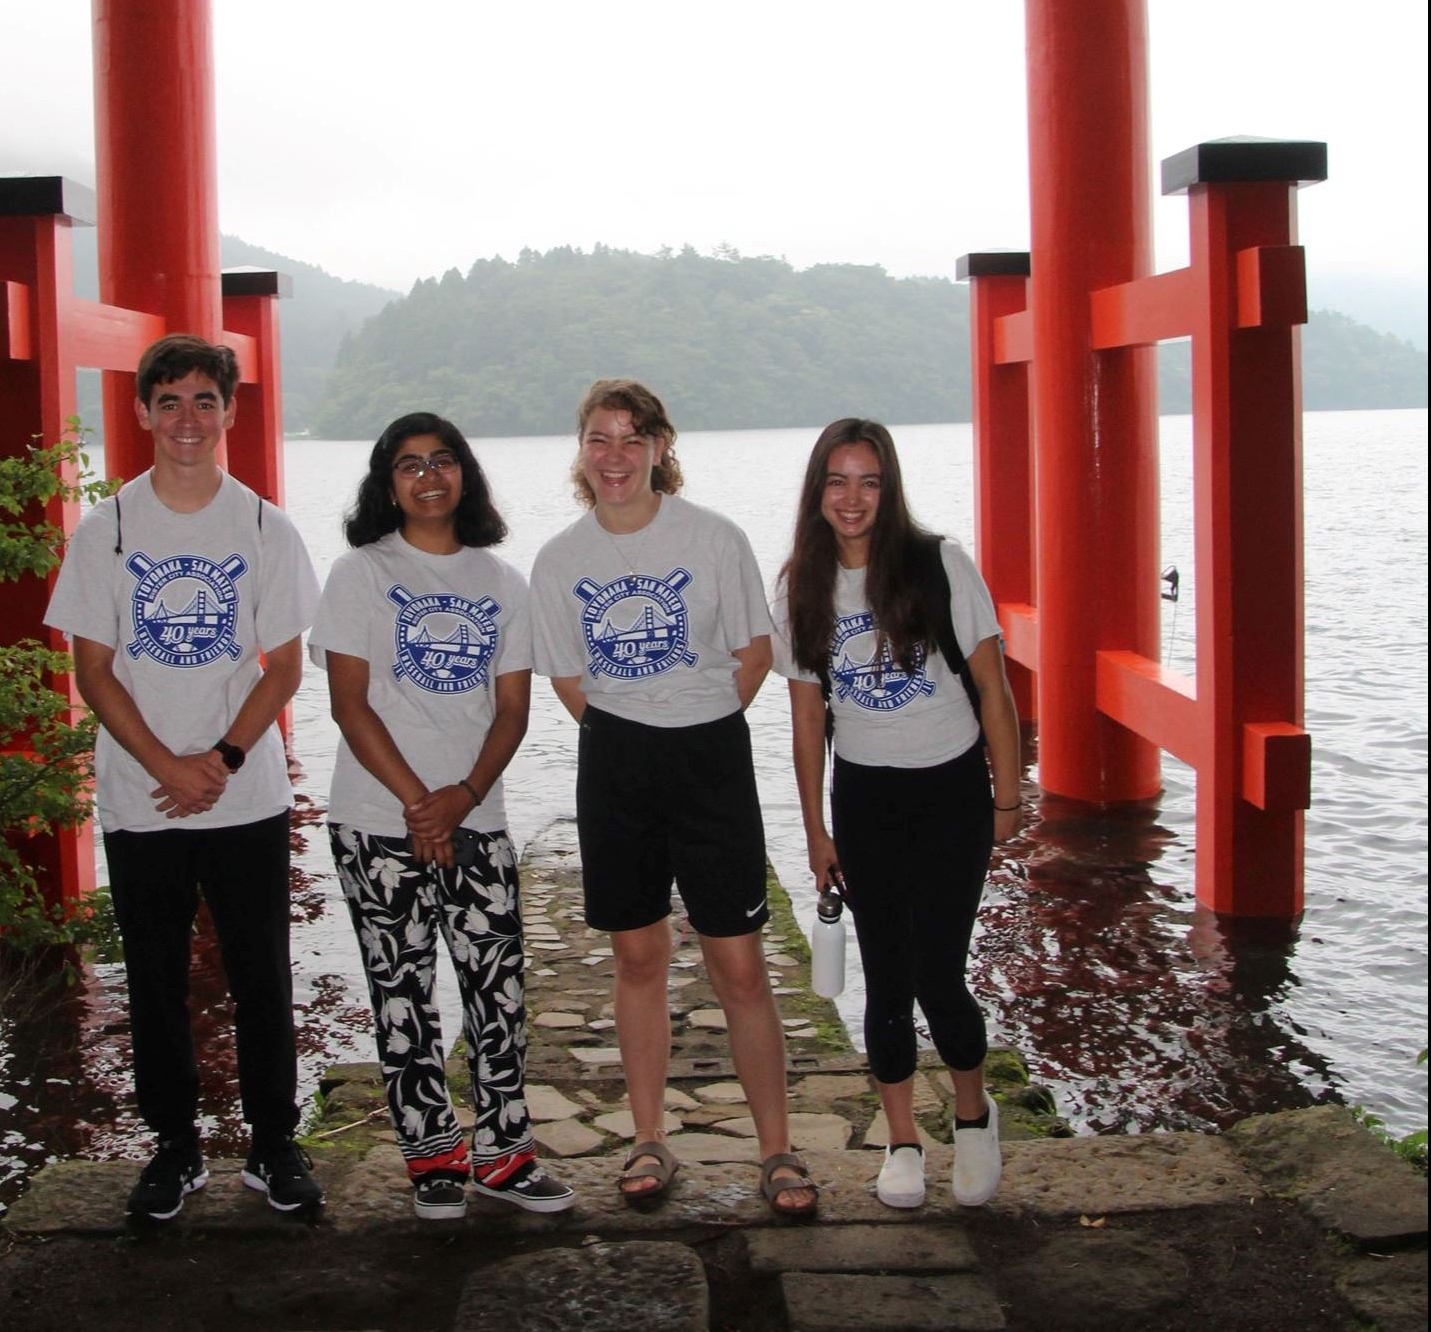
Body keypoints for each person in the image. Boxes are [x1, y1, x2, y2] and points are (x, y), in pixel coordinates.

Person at [42, 333, 325, 1222]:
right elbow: (94, 670)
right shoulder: (108, 530)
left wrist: (224, 758)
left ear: (230, 412)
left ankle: (273, 1144)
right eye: (169, 402)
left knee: (261, 975)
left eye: (206, 400)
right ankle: (175, 1145)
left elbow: (283, 665)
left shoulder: (262, 526)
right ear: (140, 413)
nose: (188, 420)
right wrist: (168, 764)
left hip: (246, 793)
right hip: (141, 797)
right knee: (154, 976)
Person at [527, 379, 816, 1220]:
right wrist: (631, 730)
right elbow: (568, 679)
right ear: (581, 453)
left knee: (739, 962)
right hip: (614, 756)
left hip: (709, 755)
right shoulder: (559, 559)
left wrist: (694, 720)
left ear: (660, 446)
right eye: (598, 439)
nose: (614, 455)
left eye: (630, 438)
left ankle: (776, 1147)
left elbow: (754, 651)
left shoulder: (714, 537)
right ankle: (649, 1135)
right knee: (637, 956)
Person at [311, 413, 581, 1220]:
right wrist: (416, 803)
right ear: (384, 483)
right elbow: (349, 705)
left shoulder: (504, 583)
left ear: (465, 473)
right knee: (403, 990)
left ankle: (505, 1151)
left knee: (496, 989)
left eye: (443, 461)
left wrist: (458, 799)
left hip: (476, 817)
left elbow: (512, 711)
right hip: (374, 818)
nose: (428, 476)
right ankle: (431, 1154)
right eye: (408, 465)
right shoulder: (358, 573)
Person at [775, 418, 1025, 1210]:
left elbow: (994, 688)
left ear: (890, 488)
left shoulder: (938, 563)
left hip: (951, 792)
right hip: (867, 796)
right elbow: (809, 719)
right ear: (817, 491)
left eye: (870, 481)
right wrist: (816, 829)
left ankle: (973, 1115)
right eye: (838, 481)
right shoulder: (800, 586)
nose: (853, 499)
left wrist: (1008, 797)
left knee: (939, 974)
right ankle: (902, 1141)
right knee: (885, 981)